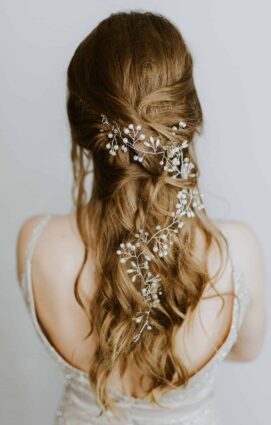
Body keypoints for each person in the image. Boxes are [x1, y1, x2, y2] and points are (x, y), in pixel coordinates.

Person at [16, 10, 267, 425]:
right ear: (188, 118)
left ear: (81, 129)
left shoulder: (36, 243)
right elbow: (246, 349)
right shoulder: (235, 253)